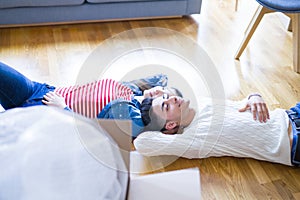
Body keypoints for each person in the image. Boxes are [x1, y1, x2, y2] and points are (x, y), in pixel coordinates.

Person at [0, 61, 181, 138]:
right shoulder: (132, 89)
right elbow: (161, 76)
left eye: (165, 101)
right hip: (40, 90)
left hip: (48, 115)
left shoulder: (133, 118)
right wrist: (157, 89)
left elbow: (93, 137)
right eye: (164, 92)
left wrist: (64, 109)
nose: (160, 94)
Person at [140, 92, 300, 166]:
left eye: (167, 97)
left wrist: (253, 97)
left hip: (291, 114)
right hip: (294, 141)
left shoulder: (201, 101)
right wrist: (143, 98)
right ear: (170, 125)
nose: (172, 98)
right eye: (166, 106)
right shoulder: (194, 140)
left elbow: (240, 106)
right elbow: (143, 143)